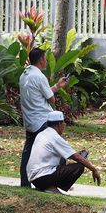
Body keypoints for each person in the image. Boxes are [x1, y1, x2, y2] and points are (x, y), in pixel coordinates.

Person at [18, 48, 68, 187]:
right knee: (60, 149)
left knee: (28, 153)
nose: (46, 60)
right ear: (41, 59)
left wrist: (58, 85)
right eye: (45, 58)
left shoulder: (25, 75)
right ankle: (56, 183)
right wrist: (56, 90)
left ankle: (25, 183)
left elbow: (41, 94)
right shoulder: (39, 76)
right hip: (42, 121)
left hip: (30, 121)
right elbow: (51, 99)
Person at [26, 110, 101, 192]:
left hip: (34, 178)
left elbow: (69, 155)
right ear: (59, 124)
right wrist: (94, 170)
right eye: (63, 123)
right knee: (79, 167)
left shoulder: (42, 134)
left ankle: (49, 186)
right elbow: (77, 157)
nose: (64, 125)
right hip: (43, 177)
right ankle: (51, 187)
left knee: (63, 158)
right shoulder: (54, 137)